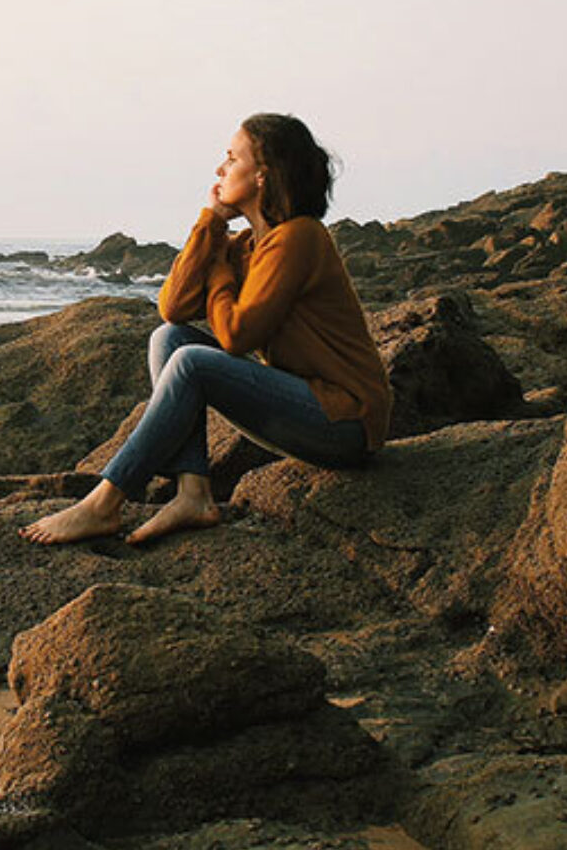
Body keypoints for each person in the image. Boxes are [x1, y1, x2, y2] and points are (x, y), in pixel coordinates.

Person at [20, 113, 392, 546]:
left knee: (192, 362)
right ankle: (192, 491)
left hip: (346, 421)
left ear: (262, 175)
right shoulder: (247, 245)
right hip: (304, 404)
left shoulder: (300, 238)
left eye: (232, 158)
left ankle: (105, 502)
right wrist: (212, 223)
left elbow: (235, 336)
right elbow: (173, 308)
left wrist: (217, 269)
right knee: (169, 339)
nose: (220, 169)